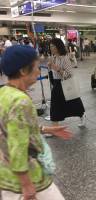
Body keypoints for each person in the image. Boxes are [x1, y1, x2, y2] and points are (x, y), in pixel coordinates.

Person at [0, 45, 67, 200]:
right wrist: (26, 185)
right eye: (36, 67)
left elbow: (12, 129)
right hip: (28, 178)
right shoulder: (21, 101)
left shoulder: (4, 92)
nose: (39, 71)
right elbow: (17, 146)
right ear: (23, 71)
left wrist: (45, 129)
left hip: (7, 176)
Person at [48, 38, 86, 127]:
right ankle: (55, 127)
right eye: (50, 46)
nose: (51, 48)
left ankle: (82, 115)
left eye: (53, 46)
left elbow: (69, 74)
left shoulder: (65, 58)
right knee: (55, 106)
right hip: (57, 84)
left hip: (65, 84)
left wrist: (56, 68)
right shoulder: (53, 58)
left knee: (73, 102)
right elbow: (53, 73)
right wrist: (50, 68)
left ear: (58, 47)